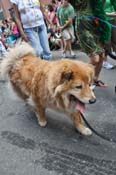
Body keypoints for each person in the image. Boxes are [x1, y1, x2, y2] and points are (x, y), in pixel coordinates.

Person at [75, 0, 111, 87]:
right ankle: (78, 78)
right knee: (95, 59)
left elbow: (100, 8)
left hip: (95, 26)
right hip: (83, 27)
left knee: (102, 55)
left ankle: (95, 79)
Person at [103, 0, 116, 69]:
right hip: (104, 21)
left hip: (113, 20)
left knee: (115, 40)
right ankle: (105, 62)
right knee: (107, 42)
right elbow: (98, 12)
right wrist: (110, 14)